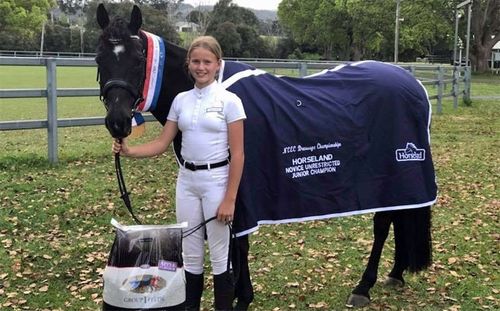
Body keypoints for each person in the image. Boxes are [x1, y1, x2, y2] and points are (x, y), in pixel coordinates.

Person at [112, 36, 246, 310]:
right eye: (195, 61)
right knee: (191, 254)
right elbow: (163, 143)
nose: (201, 67)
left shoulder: (230, 101)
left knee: (220, 256)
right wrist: (129, 150)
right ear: (188, 64)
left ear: (217, 65)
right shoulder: (180, 101)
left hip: (216, 182)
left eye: (207, 62)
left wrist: (230, 198)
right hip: (186, 181)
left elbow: (239, 154)